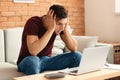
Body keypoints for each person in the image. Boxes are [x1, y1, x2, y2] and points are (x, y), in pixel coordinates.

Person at [17, 4, 82, 75]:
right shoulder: (33, 22)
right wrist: (50, 29)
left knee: (77, 56)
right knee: (33, 61)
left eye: (64, 24)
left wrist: (65, 30)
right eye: (59, 24)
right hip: (28, 60)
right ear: (50, 19)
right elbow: (33, 52)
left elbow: (74, 48)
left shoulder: (62, 27)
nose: (62, 28)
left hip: (46, 60)